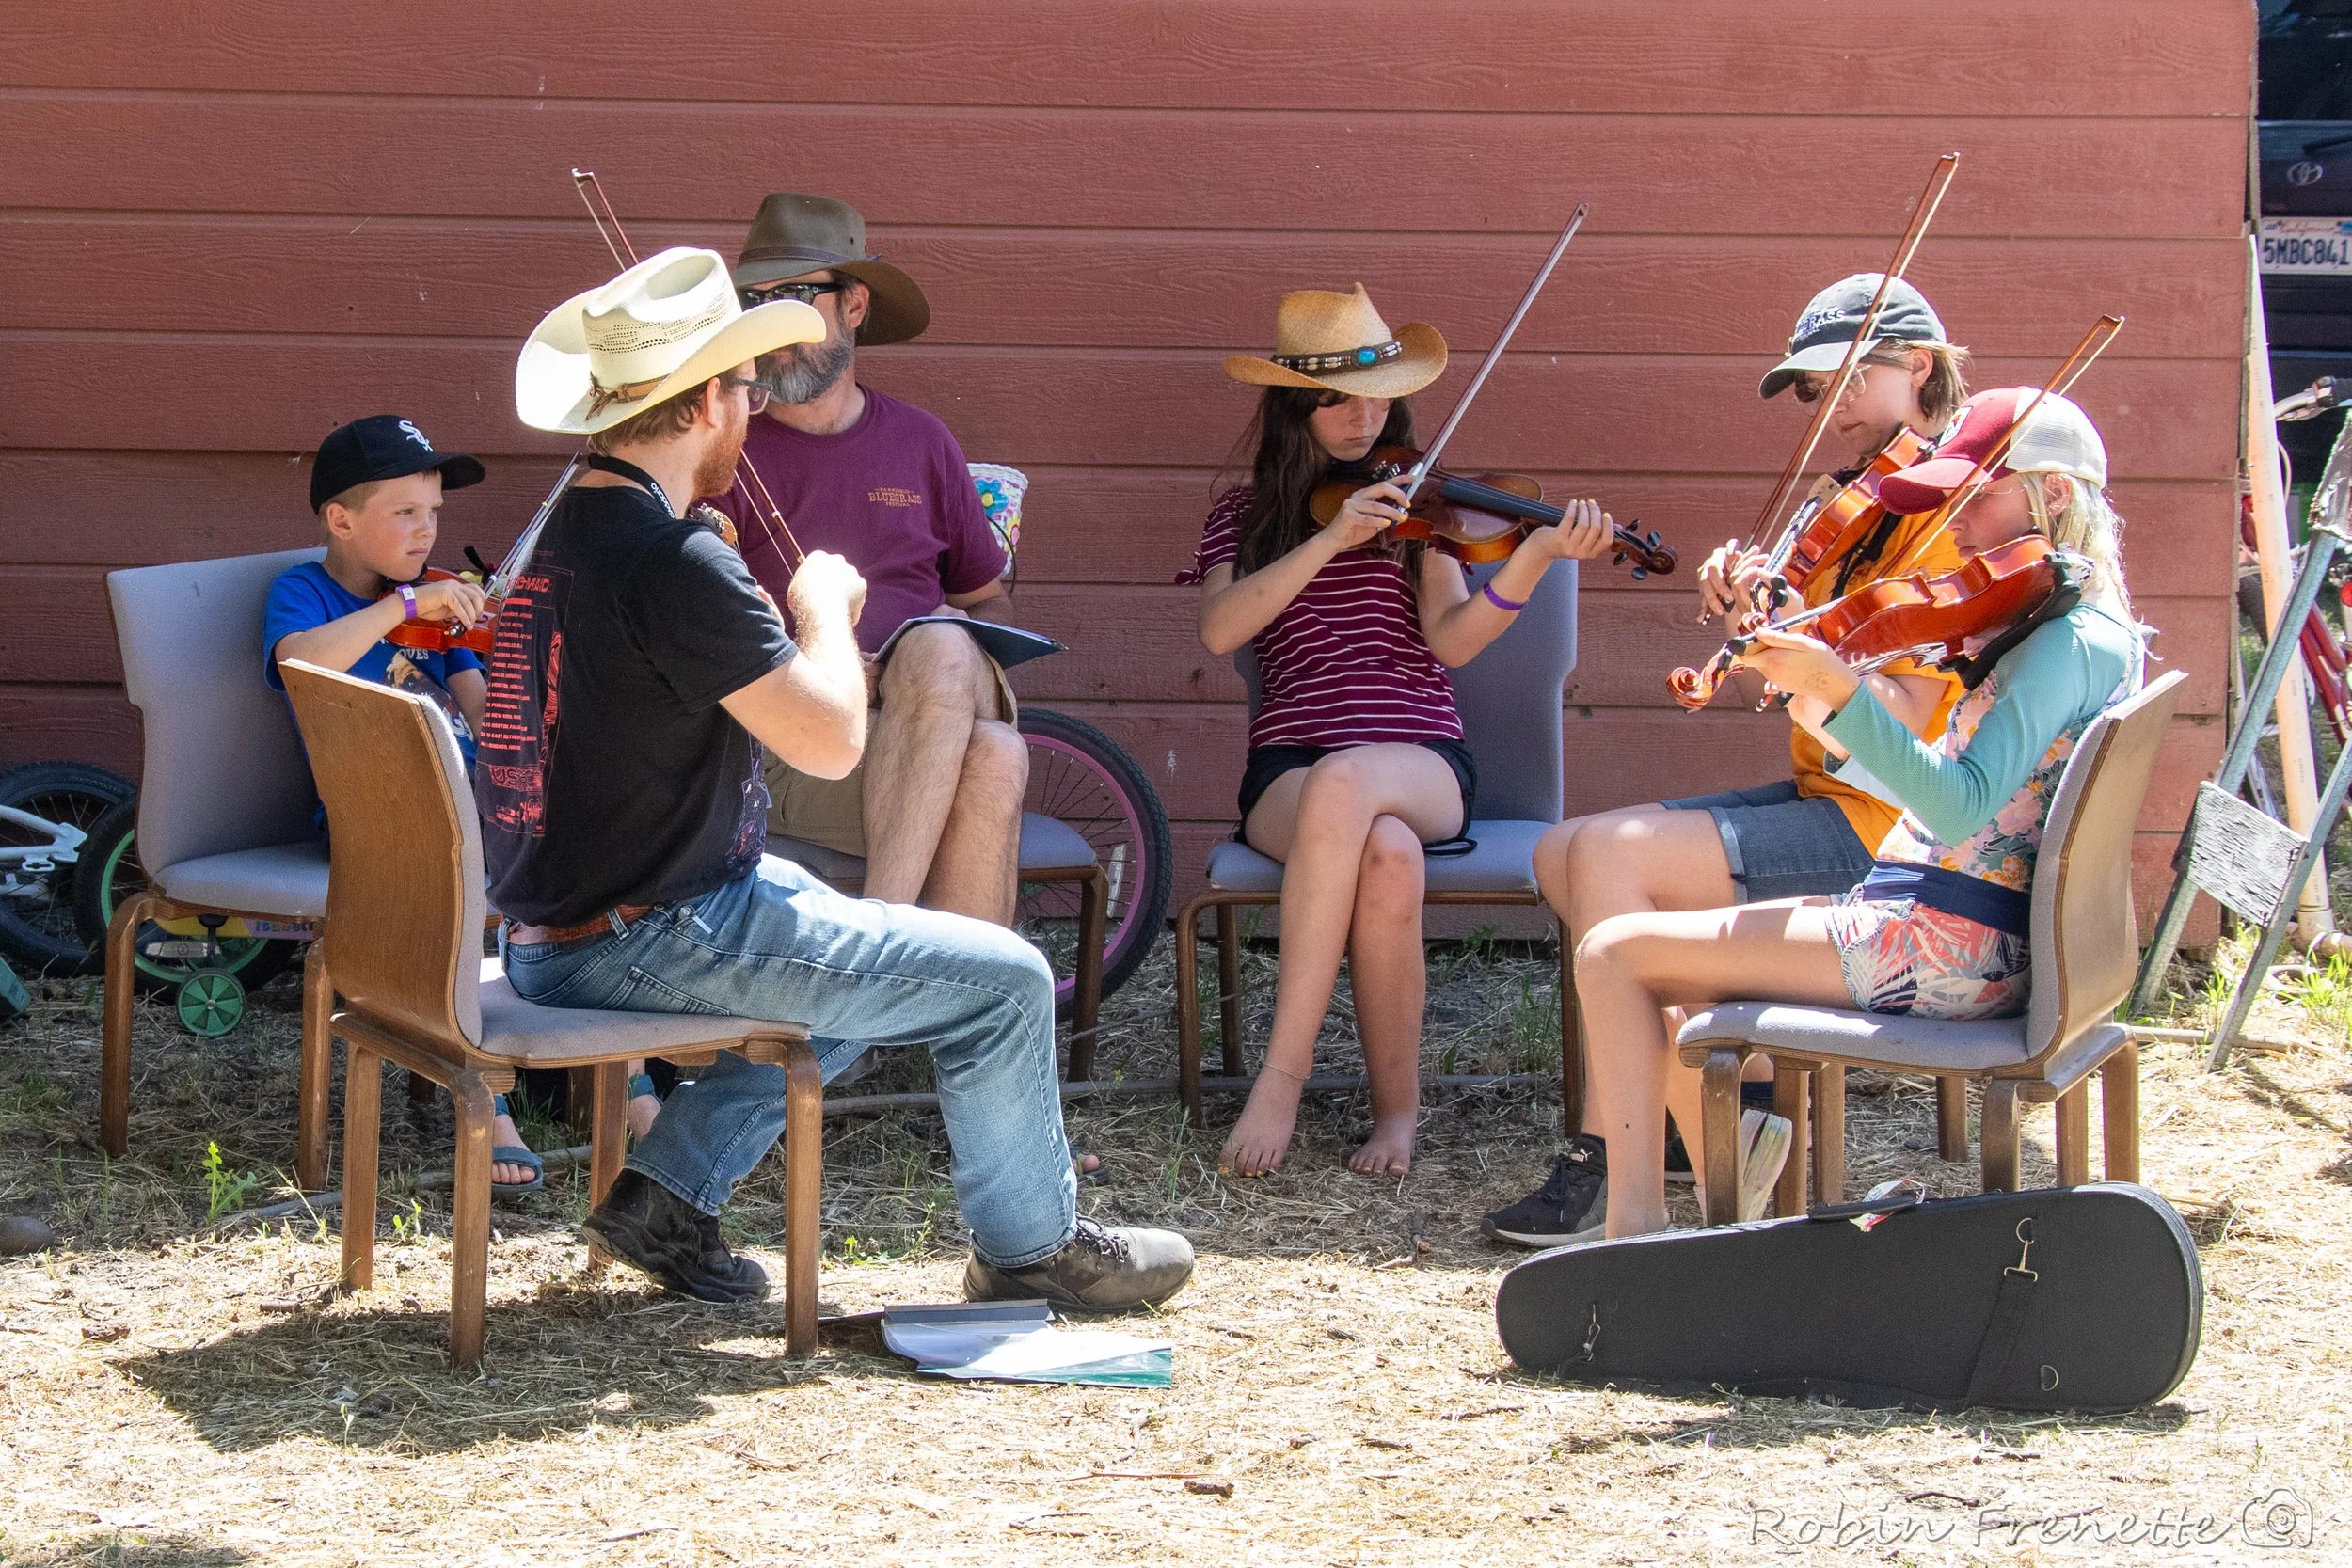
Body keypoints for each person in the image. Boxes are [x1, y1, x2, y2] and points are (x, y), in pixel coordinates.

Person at [483, 245, 1192, 1309]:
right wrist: (822, 610)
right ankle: (1031, 1249)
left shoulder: (565, 532)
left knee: (853, 925)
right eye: (742, 386)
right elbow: (827, 743)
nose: (754, 403)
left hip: (558, 927)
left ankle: (669, 1197)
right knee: (997, 979)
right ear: (706, 403)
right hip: (645, 934)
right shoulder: (674, 558)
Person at [1493, 388, 2140, 1245]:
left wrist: (1839, 688)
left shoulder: (2063, 645)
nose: (1961, 526)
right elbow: (1948, 785)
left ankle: (1635, 1232)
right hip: (1936, 917)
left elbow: (1956, 803)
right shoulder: (2084, 630)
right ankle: (1718, 1185)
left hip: (1944, 943)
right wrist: (1823, 702)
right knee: (1663, 959)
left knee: (1614, 951)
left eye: (1977, 498)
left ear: (2053, 494)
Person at [1484, 275, 1977, 1246]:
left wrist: (1797, 650)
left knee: (1613, 859)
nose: (1826, 407)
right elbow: (1817, 687)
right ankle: (1713, 1111)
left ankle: (1617, 1158)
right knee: (1559, 853)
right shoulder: (1858, 509)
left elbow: (1902, 730)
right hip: (1824, 791)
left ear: (1918, 366)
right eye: (1813, 390)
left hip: (1889, 825)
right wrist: (1763, 622)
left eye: (1845, 380)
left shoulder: (1949, 518)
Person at [1184, 284, 1616, 1179]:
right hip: (1290, 767)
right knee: (1385, 853)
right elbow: (1222, 629)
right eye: (1338, 398)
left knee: (1360, 789)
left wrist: (1532, 558)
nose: (1362, 416)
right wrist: (1329, 542)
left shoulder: (1416, 508)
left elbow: (1453, 642)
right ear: (1294, 407)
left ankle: (1281, 1077)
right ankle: (1396, 1115)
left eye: (1377, 395)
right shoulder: (1243, 513)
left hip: (1420, 755)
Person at [714, 193, 1025, 927]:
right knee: (997, 761)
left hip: (934, 703)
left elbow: (989, 597)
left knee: (945, 645)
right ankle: (937, 1021)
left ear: (854, 305)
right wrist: (841, 668)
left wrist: (941, 655)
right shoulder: (724, 447)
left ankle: (873, 956)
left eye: (795, 297)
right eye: (756, 302)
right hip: (801, 746)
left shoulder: (922, 440)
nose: (774, 324)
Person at [261, 416, 537, 1195]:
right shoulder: (305, 595)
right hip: (373, 813)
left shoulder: (437, 609)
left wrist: (510, 653)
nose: (427, 531)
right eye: (406, 513)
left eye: (436, 513)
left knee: (572, 857)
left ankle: (634, 1094)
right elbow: (297, 665)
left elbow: (484, 720)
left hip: (464, 803)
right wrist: (403, 606)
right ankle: (493, 1104)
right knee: (481, 886)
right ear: (341, 520)